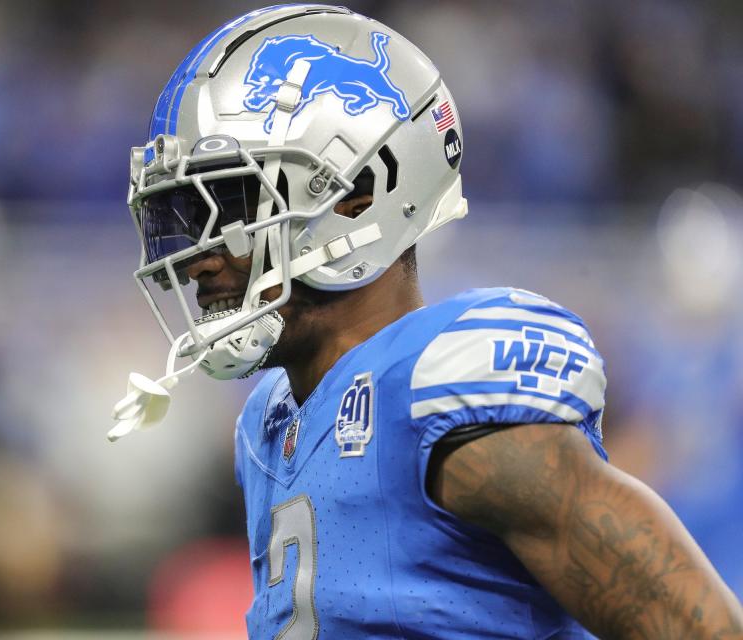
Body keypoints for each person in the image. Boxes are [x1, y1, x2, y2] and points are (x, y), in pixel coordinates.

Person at [109, 5, 743, 638]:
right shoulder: (268, 422)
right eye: (183, 217)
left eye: (229, 207)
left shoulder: (442, 391)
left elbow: (698, 628)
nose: (198, 259)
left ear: (359, 193)